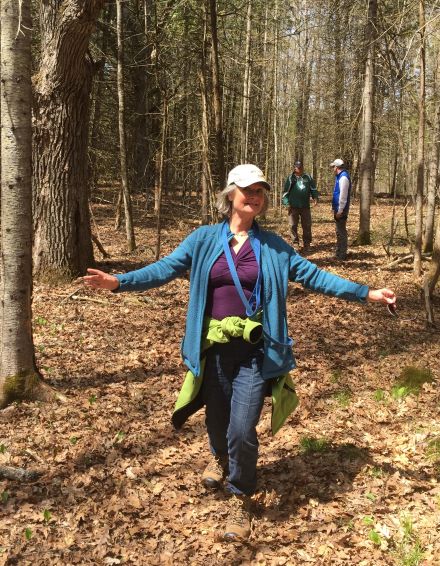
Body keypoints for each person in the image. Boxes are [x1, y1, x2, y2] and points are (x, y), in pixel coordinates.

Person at [84, 163, 396, 542]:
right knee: (217, 423)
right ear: (230, 194)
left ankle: (240, 495)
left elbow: (316, 276)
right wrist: (120, 281)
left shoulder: (275, 248)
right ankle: (219, 457)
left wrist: (367, 292)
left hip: (255, 354)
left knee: (242, 429)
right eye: (248, 189)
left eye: (261, 191)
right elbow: (165, 269)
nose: (255, 196)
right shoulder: (202, 241)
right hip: (213, 351)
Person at [282, 160, 318, 254]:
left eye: (300, 167)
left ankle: (307, 244)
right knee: (293, 225)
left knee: (307, 225)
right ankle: (295, 243)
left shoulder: (308, 177)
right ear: (294, 167)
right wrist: (286, 203)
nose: (299, 168)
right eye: (297, 167)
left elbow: (313, 188)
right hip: (293, 207)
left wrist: (315, 197)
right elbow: (285, 192)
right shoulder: (291, 178)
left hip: (305, 206)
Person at [330, 158, 351, 260]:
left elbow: (343, 196)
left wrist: (340, 210)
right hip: (338, 208)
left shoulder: (343, 178)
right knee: (339, 232)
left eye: (334, 166)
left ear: (337, 167)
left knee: (341, 232)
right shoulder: (339, 177)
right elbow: (336, 193)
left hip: (341, 210)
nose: (333, 168)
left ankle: (342, 254)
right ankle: (339, 252)